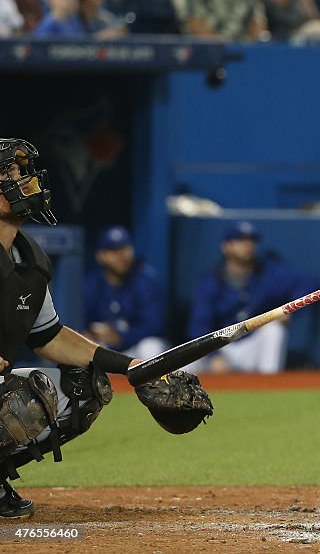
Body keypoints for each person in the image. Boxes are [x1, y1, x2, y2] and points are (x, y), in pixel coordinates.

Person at [0, 138, 189, 518]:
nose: (23, 182)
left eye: (21, 173)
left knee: (85, 386)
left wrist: (131, 366)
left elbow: (49, 337)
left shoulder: (29, 258)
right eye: (8, 174)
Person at [187, 221, 316, 373]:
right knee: (184, 365)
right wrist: (214, 356)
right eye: (240, 241)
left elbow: (309, 283)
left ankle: (270, 388)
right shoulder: (211, 282)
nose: (247, 245)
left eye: (251, 241)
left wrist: (288, 310)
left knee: (273, 330)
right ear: (226, 247)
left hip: (252, 346)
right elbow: (198, 327)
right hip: (221, 349)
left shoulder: (268, 273)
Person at [83, 226, 169, 360]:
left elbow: (154, 325)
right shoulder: (92, 284)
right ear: (101, 256)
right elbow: (80, 321)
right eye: (113, 251)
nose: (121, 256)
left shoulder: (146, 280)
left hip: (137, 347)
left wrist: (121, 336)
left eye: (124, 248)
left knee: (150, 347)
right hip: (107, 348)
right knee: (85, 347)